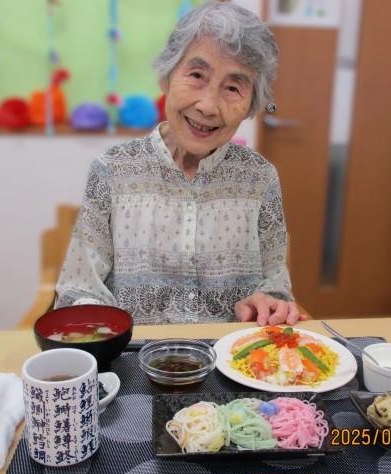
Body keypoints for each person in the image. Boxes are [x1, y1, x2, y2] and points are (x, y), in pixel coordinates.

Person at [55, 1, 308, 327]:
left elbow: (276, 287)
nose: (208, 106)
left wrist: (269, 303)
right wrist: (97, 324)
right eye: (197, 75)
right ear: (166, 77)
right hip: (135, 354)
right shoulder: (112, 171)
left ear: (250, 106)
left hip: (229, 354)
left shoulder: (259, 178)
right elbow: (78, 291)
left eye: (233, 88)